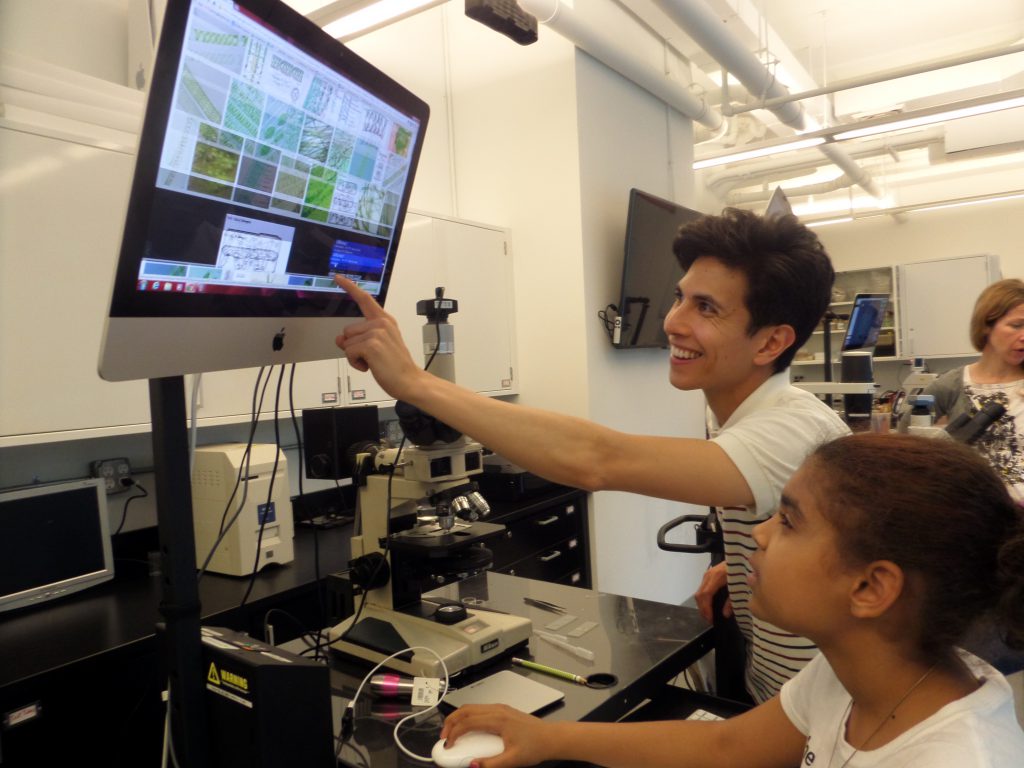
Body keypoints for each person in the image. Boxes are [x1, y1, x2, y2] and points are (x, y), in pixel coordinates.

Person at [335, 208, 849, 702]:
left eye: (706, 308)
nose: (673, 322)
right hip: (778, 695)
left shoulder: (789, 433)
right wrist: (739, 567)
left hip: (830, 722)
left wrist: (415, 383)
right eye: (680, 298)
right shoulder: (742, 415)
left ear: (771, 342)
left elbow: (596, 458)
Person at [439, 434, 1024, 768]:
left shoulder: (956, 759)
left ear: (871, 588)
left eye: (788, 521)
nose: (760, 534)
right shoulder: (857, 673)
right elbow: (727, 743)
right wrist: (550, 738)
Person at [899, 278, 1024, 503]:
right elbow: (904, 444)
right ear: (987, 325)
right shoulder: (951, 385)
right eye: (1016, 326)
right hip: (974, 514)